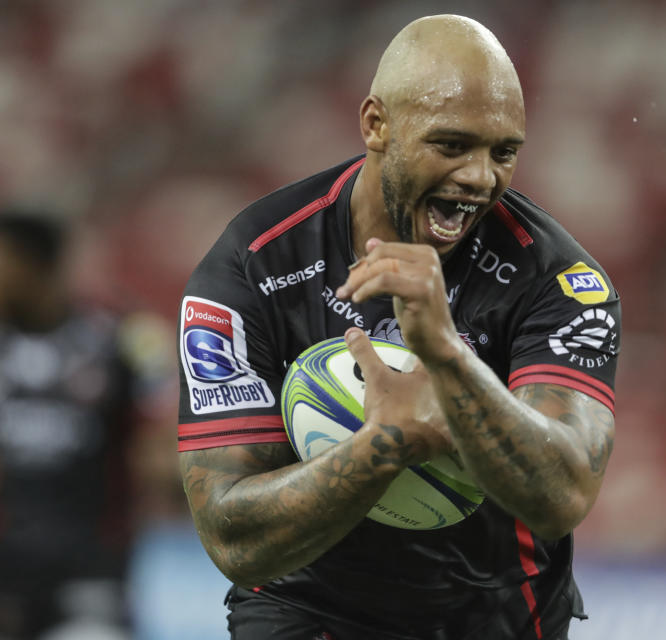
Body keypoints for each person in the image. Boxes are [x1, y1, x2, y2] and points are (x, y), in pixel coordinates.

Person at [177, 14, 619, 640]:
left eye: (504, 152)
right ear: (375, 124)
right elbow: (232, 535)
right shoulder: (252, 265)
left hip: (494, 614)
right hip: (306, 608)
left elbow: (564, 494)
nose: (479, 177)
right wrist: (386, 442)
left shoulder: (561, 282)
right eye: (451, 145)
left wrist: (448, 361)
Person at [0, 206, 172, 639]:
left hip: (94, 570)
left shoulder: (121, 340)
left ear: (31, 266)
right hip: (1, 575)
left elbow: (162, 452)